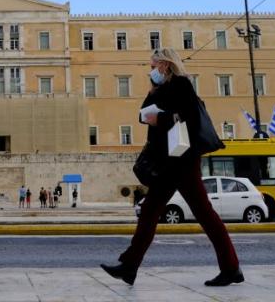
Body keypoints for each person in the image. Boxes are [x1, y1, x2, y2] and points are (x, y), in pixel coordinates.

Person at [101, 48, 242, 287]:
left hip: (182, 161)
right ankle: (129, 267)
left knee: (204, 214)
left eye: (153, 66)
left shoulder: (182, 85)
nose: (150, 70)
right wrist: (152, 90)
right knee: (149, 213)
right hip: (166, 163)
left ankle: (231, 268)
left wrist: (162, 119)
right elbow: (142, 115)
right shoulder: (161, 88)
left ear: (165, 65)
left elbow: (190, 119)